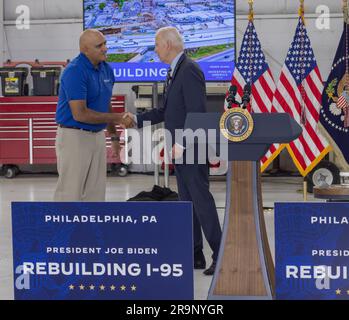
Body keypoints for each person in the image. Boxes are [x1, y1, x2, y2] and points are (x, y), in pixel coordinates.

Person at [124, 27, 222, 275]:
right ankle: (195, 255)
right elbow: (167, 112)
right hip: (180, 148)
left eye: (156, 45)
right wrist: (136, 120)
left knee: (202, 203)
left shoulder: (189, 70)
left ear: (167, 44)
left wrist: (182, 143)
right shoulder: (175, 71)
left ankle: (221, 254)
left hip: (191, 147)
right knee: (187, 204)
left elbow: (197, 113)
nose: (155, 50)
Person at [54, 29, 132, 201]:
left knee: (96, 193)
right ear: (85, 50)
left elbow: (106, 103)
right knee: (70, 192)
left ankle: (91, 229)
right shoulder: (74, 71)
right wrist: (118, 118)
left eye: (105, 44)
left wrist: (113, 137)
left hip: (97, 136)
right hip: (74, 136)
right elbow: (80, 114)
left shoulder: (106, 70)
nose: (105, 48)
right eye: (99, 46)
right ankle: (66, 228)